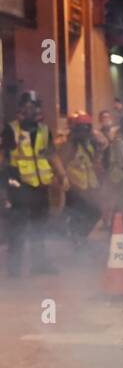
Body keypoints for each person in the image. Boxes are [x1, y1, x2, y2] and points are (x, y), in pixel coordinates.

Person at [3, 91, 68, 277]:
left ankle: (39, 263)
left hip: (40, 184)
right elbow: (4, 158)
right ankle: (14, 268)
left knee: (40, 224)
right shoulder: (11, 129)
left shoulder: (43, 130)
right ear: (21, 108)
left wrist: (62, 175)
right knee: (18, 225)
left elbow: (51, 154)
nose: (30, 110)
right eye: (26, 107)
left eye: (33, 107)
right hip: (18, 183)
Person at [61, 113, 103, 244]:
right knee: (79, 214)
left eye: (87, 128)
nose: (84, 131)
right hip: (75, 187)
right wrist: (64, 180)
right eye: (81, 128)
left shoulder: (89, 144)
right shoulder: (69, 146)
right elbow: (61, 163)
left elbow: (95, 162)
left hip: (89, 187)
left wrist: (99, 148)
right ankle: (76, 239)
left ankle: (79, 237)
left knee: (95, 212)